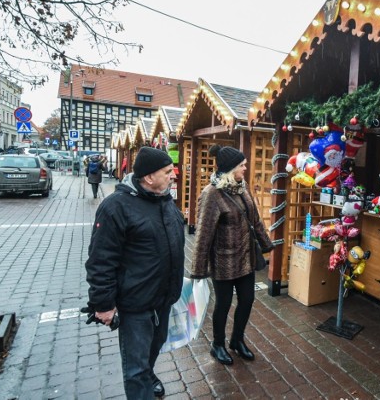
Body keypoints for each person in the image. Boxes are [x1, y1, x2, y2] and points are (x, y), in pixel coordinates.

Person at [85, 146, 185, 399]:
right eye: (167, 171)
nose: (174, 174)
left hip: (163, 300)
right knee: (135, 369)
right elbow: (101, 259)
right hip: (135, 305)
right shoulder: (116, 207)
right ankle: (143, 384)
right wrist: (103, 304)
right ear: (149, 177)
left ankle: (148, 376)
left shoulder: (165, 201)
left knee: (152, 351)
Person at [190, 145, 273, 365]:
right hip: (224, 261)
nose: (246, 168)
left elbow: (255, 220)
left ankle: (237, 340)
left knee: (247, 300)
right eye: (242, 165)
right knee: (223, 304)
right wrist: (198, 270)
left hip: (246, 259)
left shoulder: (241, 187)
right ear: (231, 169)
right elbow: (203, 234)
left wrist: (267, 245)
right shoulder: (212, 194)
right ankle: (218, 344)